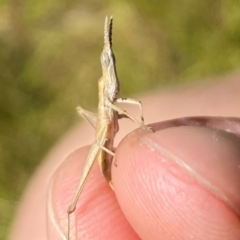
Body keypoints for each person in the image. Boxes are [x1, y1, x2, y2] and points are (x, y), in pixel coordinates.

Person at [8, 71, 240, 239]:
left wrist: (140, 123)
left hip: (118, 150)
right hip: (102, 145)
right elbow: (116, 114)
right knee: (70, 202)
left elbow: (131, 106)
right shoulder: (107, 106)